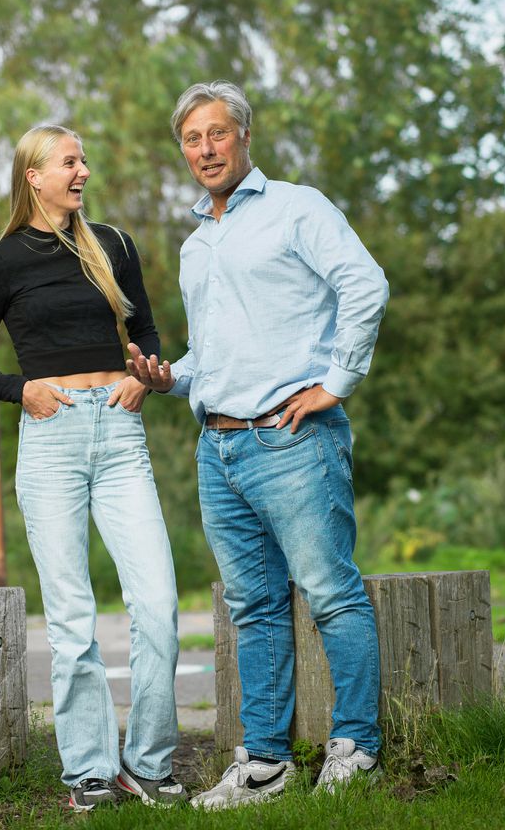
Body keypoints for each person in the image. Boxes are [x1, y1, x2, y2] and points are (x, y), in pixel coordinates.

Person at [127, 81, 389, 808]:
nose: (204, 149)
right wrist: (165, 376)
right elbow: (215, 353)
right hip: (219, 450)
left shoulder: (297, 208)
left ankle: (357, 746)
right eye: (191, 139)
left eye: (217, 134)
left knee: (331, 594)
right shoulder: (196, 243)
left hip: (292, 438)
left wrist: (336, 382)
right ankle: (266, 766)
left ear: (243, 136)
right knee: (255, 608)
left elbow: (366, 286)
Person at [0, 125, 183, 811]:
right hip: (51, 437)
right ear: (33, 175)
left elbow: (142, 332)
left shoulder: (112, 244)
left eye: (84, 159)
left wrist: (147, 376)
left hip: (117, 433)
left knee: (160, 607)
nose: (83, 170)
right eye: (70, 161)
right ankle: (90, 770)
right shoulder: (1, 262)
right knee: (72, 619)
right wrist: (21, 389)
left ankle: (146, 765)